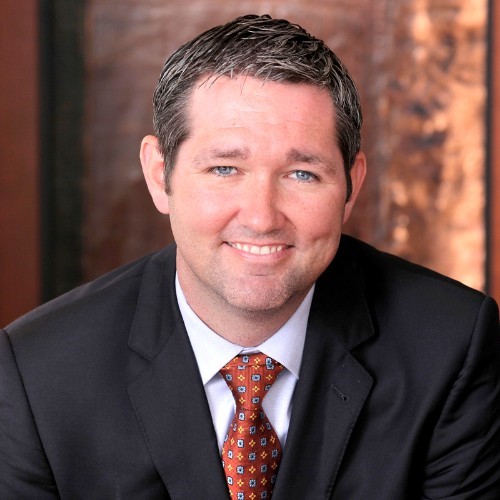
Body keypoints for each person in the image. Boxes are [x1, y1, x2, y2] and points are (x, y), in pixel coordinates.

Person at [1, 14, 499, 499]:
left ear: (351, 186)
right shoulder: (38, 374)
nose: (262, 218)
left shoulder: (450, 345)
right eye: (224, 169)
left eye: (302, 174)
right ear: (159, 175)